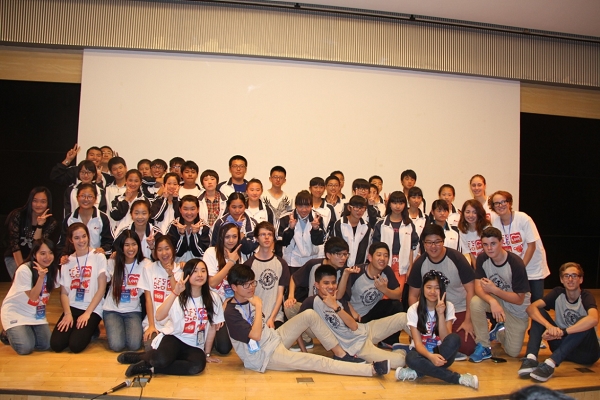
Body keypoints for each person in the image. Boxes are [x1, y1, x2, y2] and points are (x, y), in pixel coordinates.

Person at [224, 264, 391, 376]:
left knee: (309, 315)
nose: (251, 288)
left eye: (252, 283)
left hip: (274, 337)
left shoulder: (250, 299)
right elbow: (255, 336)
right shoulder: (232, 312)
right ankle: (370, 370)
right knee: (315, 361)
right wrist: (259, 306)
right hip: (263, 355)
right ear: (234, 287)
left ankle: (340, 354)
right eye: (246, 285)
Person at [117, 259, 224, 376]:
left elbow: (212, 327)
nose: (200, 275)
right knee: (161, 360)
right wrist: (175, 293)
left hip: (194, 345)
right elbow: (159, 316)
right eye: (195, 271)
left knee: (197, 366)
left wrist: (207, 354)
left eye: (203, 271)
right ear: (187, 275)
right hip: (175, 337)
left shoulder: (214, 298)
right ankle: (140, 357)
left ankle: (150, 368)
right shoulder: (178, 296)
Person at [301, 264, 409, 368]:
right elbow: (298, 326)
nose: (331, 286)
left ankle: (418, 345)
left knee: (404, 318)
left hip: (365, 329)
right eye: (326, 283)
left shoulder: (338, 297)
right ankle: (402, 350)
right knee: (399, 361)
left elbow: (354, 325)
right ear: (317, 285)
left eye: (333, 283)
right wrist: (304, 353)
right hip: (355, 346)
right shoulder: (311, 302)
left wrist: (336, 305)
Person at [395, 270, 479, 389]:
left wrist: (440, 314)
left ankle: (418, 371)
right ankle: (458, 378)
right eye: (429, 287)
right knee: (410, 358)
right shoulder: (413, 309)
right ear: (423, 289)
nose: (433, 292)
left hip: (443, 354)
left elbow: (446, 339)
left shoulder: (448, 306)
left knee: (455, 338)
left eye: (437, 288)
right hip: (422, 354)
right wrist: (431, 357)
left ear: (442, 290)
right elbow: (418, 344)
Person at [518, 262, 599, 382]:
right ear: (561, 279)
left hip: (585, 353)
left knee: (584, 321)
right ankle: (531, 358)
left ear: (581, 279)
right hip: (561, 346)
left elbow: (594, 318)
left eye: (574, 276)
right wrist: (549, 326)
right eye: (566, 276)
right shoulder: (558, 293)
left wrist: (563, 332)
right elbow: (531, 308)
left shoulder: (586, 296)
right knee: (539, 312)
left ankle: (550, 364)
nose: (570, 279)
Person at [407, 223, 476, 357]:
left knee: (466, 347)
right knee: (421, 344)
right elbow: (413, 296)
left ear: (443, 241)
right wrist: (420, 318)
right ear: (423, 244)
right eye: (429, 242)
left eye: (437, 242)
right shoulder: (420, 263)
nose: (433, 246)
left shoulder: (457, 258)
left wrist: (468, 320)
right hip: (431, 312)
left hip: (458, 308)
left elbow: (471, 291)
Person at [469, 227, 531, 362]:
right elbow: (478, 287)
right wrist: (492, 301)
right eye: (485, 244)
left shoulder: (516, 263)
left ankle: (499, 332)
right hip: (497, 298)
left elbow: (519, 299)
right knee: (475, 302)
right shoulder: (482, 259)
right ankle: (484, 345)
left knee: (513, 352)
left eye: (493, 244)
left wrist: (495, 290)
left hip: (516, 307)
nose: (489, 248)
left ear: (501, 242)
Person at [284, 237, 350, 350]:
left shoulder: (345, 272)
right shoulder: (313, 264)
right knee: (290, 306)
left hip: (332, 318)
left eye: (345, 254)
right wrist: (291, 296)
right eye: (339, 254)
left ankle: (335, 342)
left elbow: (340, 297)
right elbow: (294, 278)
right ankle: (306, 340)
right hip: (313, 313)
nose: (343, 258)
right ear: (328, 255)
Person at [50, 223, 108, 353]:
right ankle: (83, 329)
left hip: (92, 307)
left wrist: (87, 313)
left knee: (75, 345)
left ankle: (91, 329)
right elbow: (64, 293)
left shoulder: (98, 257)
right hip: (73, 306)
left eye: (84, 236)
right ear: (71, 240)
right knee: (56, 345)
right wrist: (67, 314)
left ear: (88, 236)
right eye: (76, 238)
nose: (81, 240)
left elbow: (101, 289)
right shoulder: (67, 261)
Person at [1, 239, 59, 355]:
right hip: (16, 312)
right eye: (43, 253)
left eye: (50, 253)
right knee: (25, 348)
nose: (47, 257)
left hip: (35, 313)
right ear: (34, 254)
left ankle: (26, 330)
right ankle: (6, 333)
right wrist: (41, 278)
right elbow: (33, 297)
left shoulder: (53, 270)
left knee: (46, 345)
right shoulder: (24, 269)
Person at [489, 190, 549, 302]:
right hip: (515, 269)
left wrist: (520, 267)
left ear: (509, 203)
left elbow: (532, 246)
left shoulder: (523, 218)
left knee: (536, 301)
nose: (500, 205)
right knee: (520, 302)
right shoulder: (495, 223)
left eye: (503, 201)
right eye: (496, 203)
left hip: (532, 267)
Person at [340, 242, 403, 347]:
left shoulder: (387, 270)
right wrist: (353, 313)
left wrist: (385, 290)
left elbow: (398, 295)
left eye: (386, 256)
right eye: (379, 255)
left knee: (396, 305)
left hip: (373, 312)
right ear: (370, 257)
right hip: (356, 316)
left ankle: (388, 342)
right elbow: (342, 297)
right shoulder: (356, 271)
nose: (382, 258)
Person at [103, 231, 150, 352]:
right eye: (127, 245)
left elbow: (160, 267)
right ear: (121, 246)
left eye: (134, 244)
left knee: (134, 345)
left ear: (138, 245)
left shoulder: (145, 264)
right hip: (112, 310)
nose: (131, 248)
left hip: (133, 311)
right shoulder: (113, 262)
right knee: (117, 346)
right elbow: (100, 282)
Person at [204, 222, 242, 355]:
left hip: (229, 305)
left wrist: (229, 302)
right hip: (212, 304)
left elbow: (239, 287)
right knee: (223, 347)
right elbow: (212, 283)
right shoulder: (211, 252)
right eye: (227, 237)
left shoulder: (240, 256)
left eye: (234, 236)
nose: (231, 240)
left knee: (225, 348)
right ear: (221, 237)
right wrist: (230, 263)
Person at [243, 221, 289, 329]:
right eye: (263, 234)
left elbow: (280, 295)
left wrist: (272, 318)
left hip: (275, 316)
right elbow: (246, 295)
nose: (267, 237)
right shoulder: (249, 264)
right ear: (256, 238)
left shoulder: (281, 263)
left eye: (270, 234)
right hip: (254, 315)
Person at [136, 235, 180, 349]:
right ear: (155, 252)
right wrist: (151, 325)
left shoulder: (180, 270)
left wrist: (171, 274)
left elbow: (178, 296)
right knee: (151, 347)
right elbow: (148, 300)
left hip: (173, 323)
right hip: (154, 322)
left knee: (171, 349)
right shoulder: (148, 269)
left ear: (173, 250)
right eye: (160, 249)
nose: (164, 253)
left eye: (167, 248)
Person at [372, 191, 419, 295]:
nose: (397, 206)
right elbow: (374, 246)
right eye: (394, 203)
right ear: (389, 204)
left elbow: (411, 248)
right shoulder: (381, 223)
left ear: (405, 205)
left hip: (401, 264)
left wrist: (410, 267)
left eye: (401, 203)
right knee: (381, 294)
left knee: (397, 293)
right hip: (383, 262)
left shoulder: (409, 224)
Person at [5, 187, 57, 280]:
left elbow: (37, 246)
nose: (38, 205)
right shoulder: (18, 215)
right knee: (22, 280)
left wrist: (39, 226)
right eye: (35, 201)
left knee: (35, 284)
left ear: (48, 203)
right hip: (14, 257)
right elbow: (14, 244)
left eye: (43, 201)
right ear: (30, 201)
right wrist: (22, 268)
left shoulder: (51, 222)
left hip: (36, 258)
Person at [57, 184, 113, 257]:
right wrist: (64, 256)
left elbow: (109, 242)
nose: (86, 199)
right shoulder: (69, 219)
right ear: (77, 198)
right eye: (82, 196)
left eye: (90, 196)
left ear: (95, 199)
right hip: (75, 259)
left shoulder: (102, 218)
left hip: (96, 258)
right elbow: (62, 243)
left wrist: (103, 249)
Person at [278, 191, 326, 274]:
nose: (304, 210)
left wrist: (315, 229)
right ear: (296, 205)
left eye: (307, 206)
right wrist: (291, 228)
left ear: (311, 205)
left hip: (312, 259)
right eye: (300, 206)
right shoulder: (286, 218)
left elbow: (319, 242)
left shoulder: (318, 218)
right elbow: (283, 242)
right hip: (292, 261)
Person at [210, 192, 259, 259]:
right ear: (228, 207)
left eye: (240, 207)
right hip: (224, 261)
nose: (237, 210)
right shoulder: (220, 223)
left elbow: (249, 249)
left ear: (245, 206)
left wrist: (240, 232)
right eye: (234, 207)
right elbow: (215, 246)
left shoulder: (253, 224)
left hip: (247, 262)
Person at [331, 195, 372, 267]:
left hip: (359, 267)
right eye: (356, 207)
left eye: (362, 208)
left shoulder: (366, 226)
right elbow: (336, 247)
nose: (359, 211)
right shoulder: (340, 224)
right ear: (349, 208)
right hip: (341, 265)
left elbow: (365, 248)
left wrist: (359, 266)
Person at [168, 195, 210, 263]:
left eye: (192, 209)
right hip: (178, 265)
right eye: (185, 209)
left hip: (199, 266)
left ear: (198, 209)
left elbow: (202, 252)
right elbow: (174, 252)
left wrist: (195, 235)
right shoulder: (173, 225)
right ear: (180, 210)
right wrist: (181, 235)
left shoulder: (204, 226)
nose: (189, 213)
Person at [110, 169, 146, 234]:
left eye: (136, 181)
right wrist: (126, 199)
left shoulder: (144, 200)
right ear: (126, 181)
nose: (133, 184)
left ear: (140, 183)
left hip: (138, 235)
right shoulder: (118, 199)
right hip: (120, 234)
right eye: (130, 180)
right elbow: (116, 216)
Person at [457, 199, 489, 267]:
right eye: (467, 212)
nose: (471, 215)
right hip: (476, 264)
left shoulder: (486, 228)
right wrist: (477, 270)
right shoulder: (463, 230)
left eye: (474, 212)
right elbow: (471, 255)